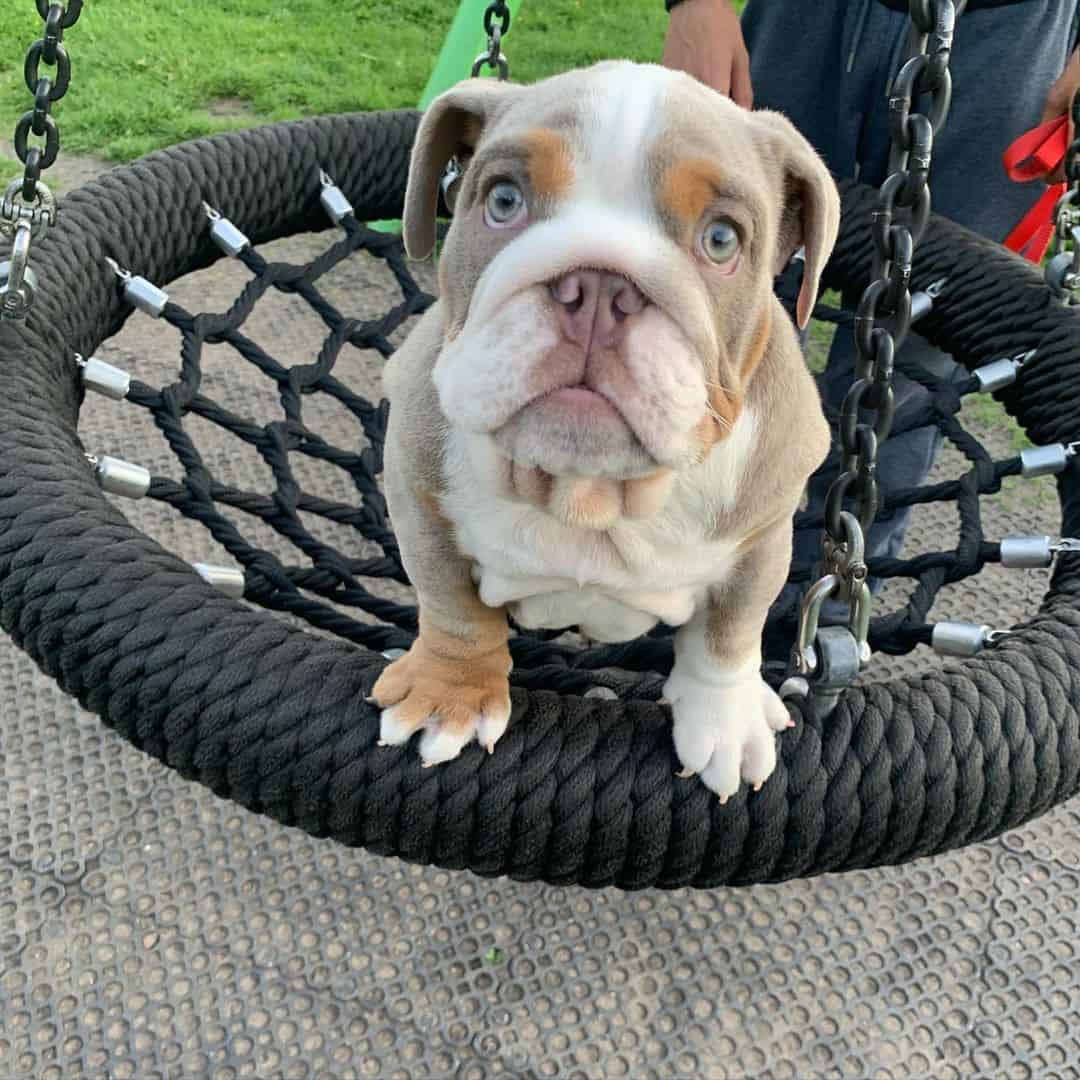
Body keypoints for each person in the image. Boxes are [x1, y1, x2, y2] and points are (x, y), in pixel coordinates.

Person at [662, 0, 1080, 615]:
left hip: (1014, 32)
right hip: (803, 20)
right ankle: (664, 585)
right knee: (709, 305)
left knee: (909, 371)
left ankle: (816, 623)